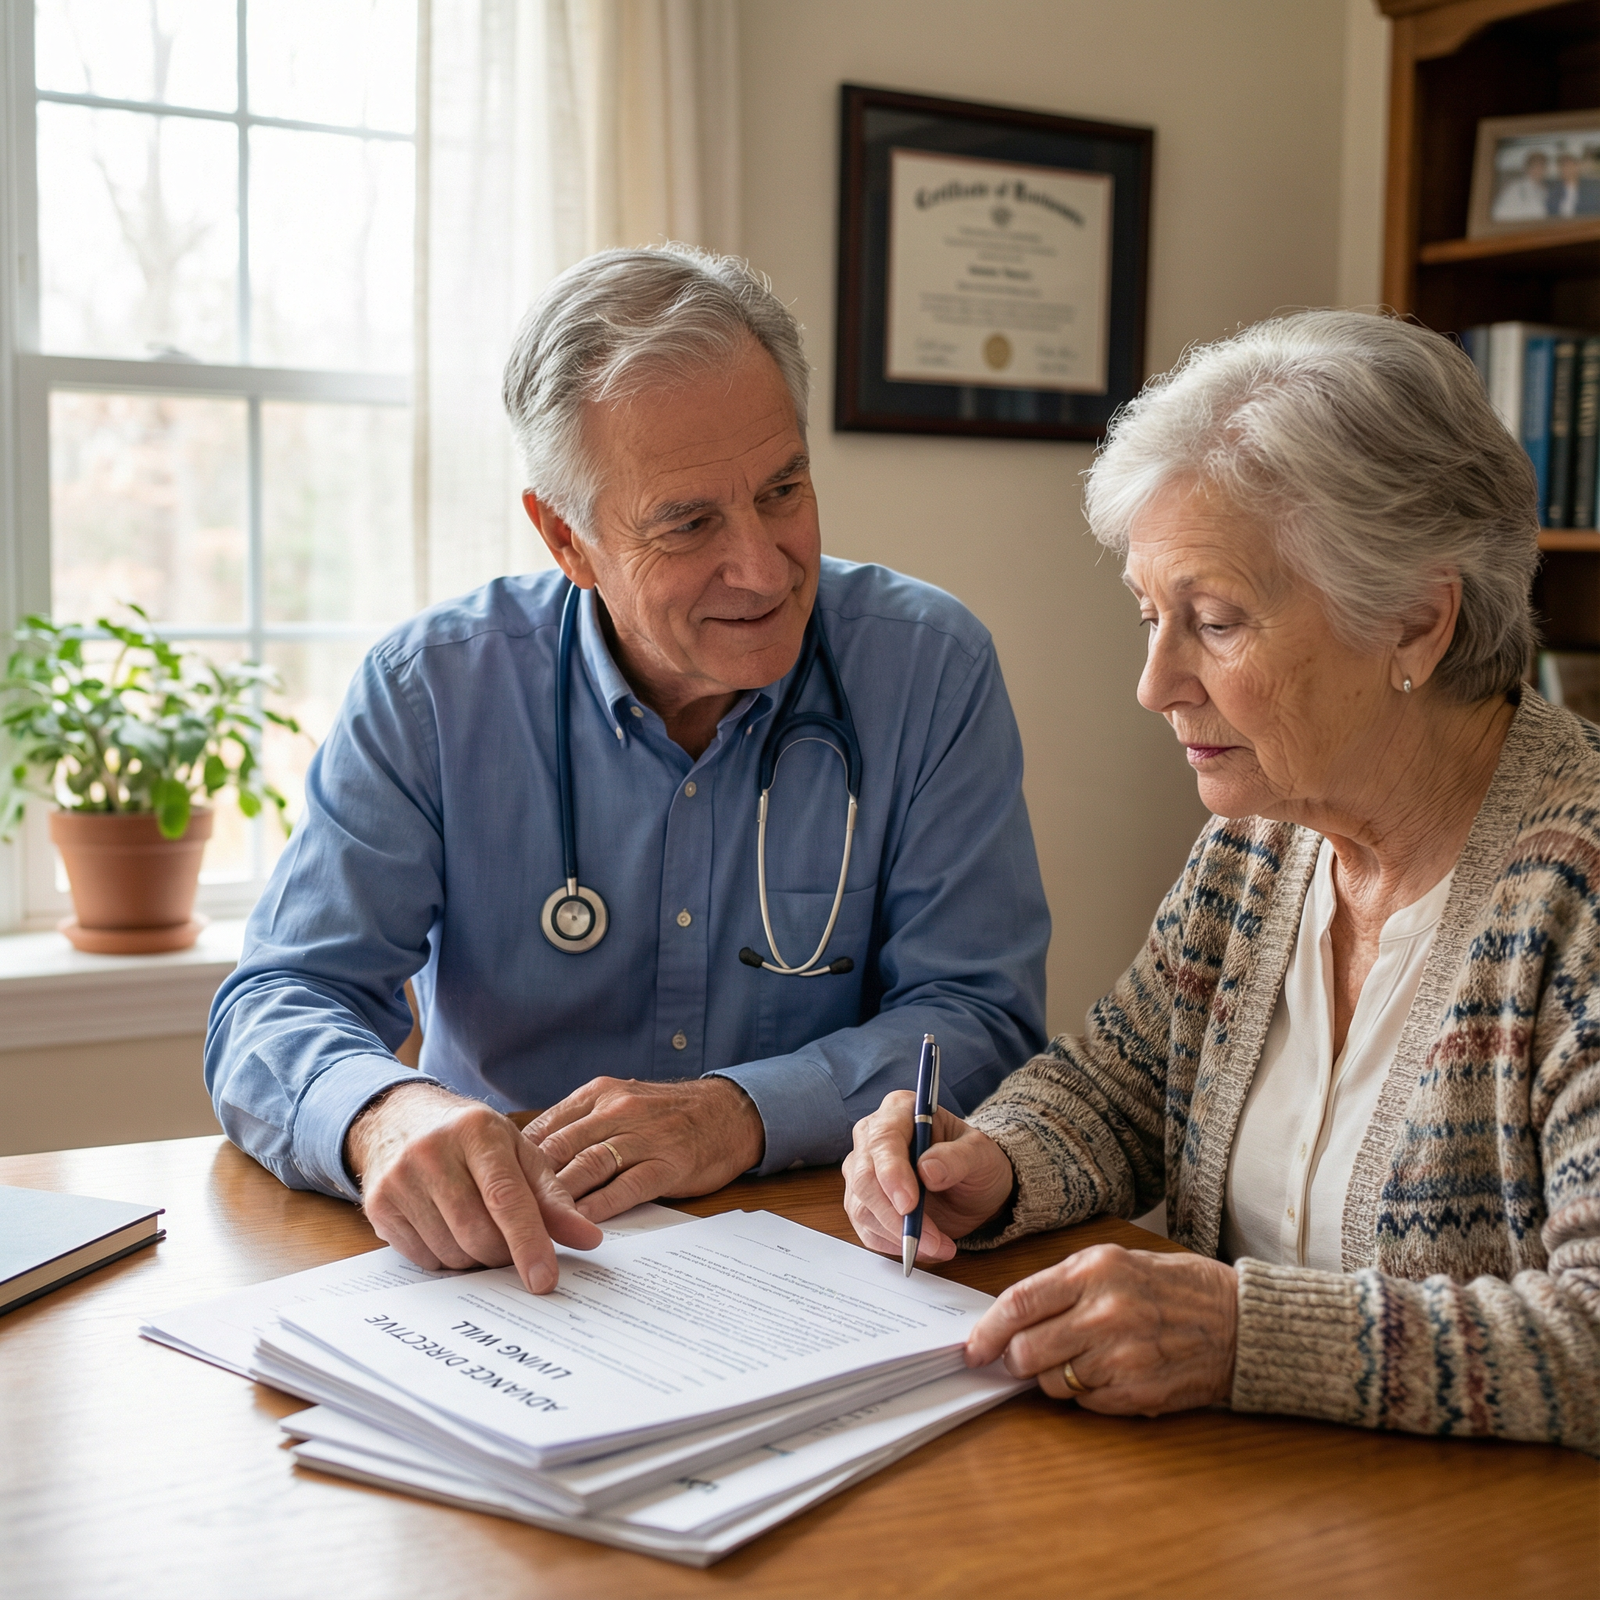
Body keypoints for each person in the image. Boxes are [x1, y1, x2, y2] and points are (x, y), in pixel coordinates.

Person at [206, 245, 1050, 1294]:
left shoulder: (926, 666)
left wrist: (741, 1113)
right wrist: (384, 1114)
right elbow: (278, 999)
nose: (762, 564)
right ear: (567, 537)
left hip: (822, 1268)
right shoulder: (434, 690)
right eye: (689, 522)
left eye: (782, 489)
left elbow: (980, 1015)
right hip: (513, 1271)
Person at [843, 310, 1599, 1453]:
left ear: (1415, 621)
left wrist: (1243, 1335)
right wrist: (984, 1163)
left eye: (1213, 621)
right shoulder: (1265, 839)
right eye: (1151, 617)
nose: (1153, 683)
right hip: (1243, 1509)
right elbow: (1122, 1084)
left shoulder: (1577, 899)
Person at [1491, 147, 1551, 222]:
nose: (1539, 170)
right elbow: (1499, 214)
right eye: (1535, 166)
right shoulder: (1514, 188)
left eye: (1542, 166)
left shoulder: (1546, 191)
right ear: (1527, 168)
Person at [1549, 147, 1600, 218]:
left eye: (1569, 165)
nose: (1566, 169)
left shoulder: (1593, 187)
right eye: (1562, 166)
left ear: (1577, 167)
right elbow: (1551, 212)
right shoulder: (1553, 190)